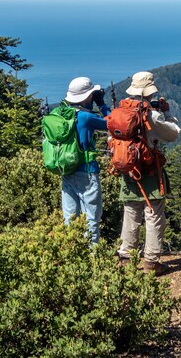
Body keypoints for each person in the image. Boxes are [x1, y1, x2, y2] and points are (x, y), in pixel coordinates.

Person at [116, 71, 180, 274]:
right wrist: (168, 113)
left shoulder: (121, 113)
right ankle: (151, 261)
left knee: (131, 212)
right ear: (150, 91)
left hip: (128, 170)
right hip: (150, 170)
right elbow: (173, 134)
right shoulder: (151, 115)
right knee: (153, 214)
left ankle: (126, 257)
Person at [62, 76, 110, 245]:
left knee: (70, 220)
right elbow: (112, 123)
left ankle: (71, 257)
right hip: (87, 173)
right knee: (91, 220)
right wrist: (102, 104)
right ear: (88, 96)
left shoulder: (60, 114)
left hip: (66, 170)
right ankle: (93, 261)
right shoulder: (85, 117)